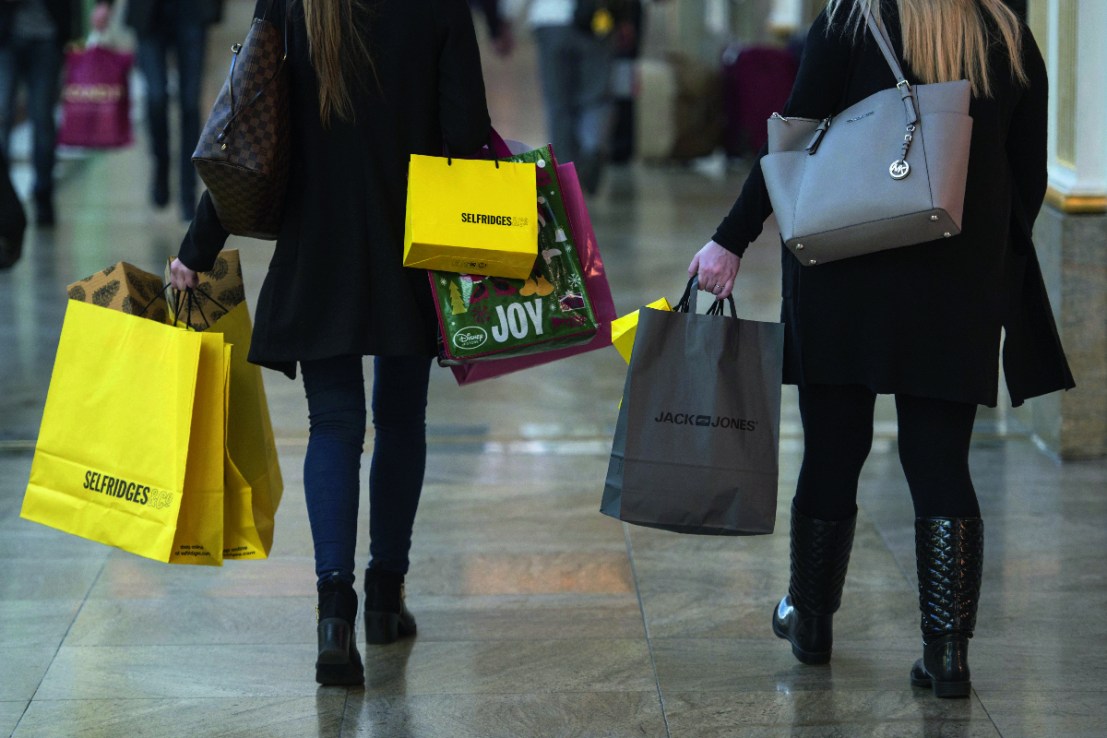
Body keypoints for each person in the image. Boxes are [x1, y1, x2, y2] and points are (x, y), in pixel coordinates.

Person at [688, 0, 1073, 698]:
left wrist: (729, 238)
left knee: (832, 453)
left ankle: (809, 620)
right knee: (938, 462)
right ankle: (947, 652)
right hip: (954, 294)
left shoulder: (847, 23)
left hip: (841, 275)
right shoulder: (1008, 35)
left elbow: (791, 144)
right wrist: (980, 258)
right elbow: (1029, 179)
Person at [167, 0, 491, 686]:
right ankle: (384, 599)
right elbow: (464, 141)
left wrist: (199, 246)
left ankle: (332, 615)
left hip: (319, 244)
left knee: (334, 423)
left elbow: (248, 132)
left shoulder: (291, 2)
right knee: (401, 419)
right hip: (414, 242)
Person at [95, 0, 224, 221]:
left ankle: (188, 194)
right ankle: (161, 166)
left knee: (190, 104)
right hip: (149, 12)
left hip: (192, 10)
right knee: (156, 97)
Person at [0, 0, 109, 226]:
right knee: (3, 116)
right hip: (7, 32)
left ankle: (43, 196)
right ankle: (5, 201)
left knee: (43, 119)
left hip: (49, 35)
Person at [527, 0, 633, 193]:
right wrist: (626, 18)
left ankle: (565, 175)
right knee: (596, 97)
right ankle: (592, 148)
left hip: (551, 20)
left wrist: (503, 20)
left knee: (559, 106)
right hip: (598, 19)